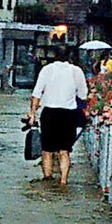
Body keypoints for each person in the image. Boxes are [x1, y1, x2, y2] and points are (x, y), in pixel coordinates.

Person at [27, 46, 88, 186]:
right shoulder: (76, 71)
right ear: (70, 56)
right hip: (69, 114)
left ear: (53, 56)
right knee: (64, 151)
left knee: (47, 150)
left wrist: (32, 114)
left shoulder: (47, 69)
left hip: (49, 113)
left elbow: (36, 94)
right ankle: (63, 182)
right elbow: (83, 95)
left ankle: (47, 179)